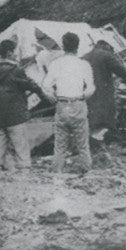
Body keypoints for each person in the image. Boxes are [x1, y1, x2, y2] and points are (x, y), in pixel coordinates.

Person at [42, 32, 95, 173]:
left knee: (60, 144)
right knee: (83, 144)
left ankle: (57, 173)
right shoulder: (84, 64)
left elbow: (46, 85)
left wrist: (51, 96)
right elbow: (91, 87)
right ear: (77, 47)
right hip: (78, 103)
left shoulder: (56, 64)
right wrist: (83, 97)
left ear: (63, 46)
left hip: (62, 104)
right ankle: (87, 171)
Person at [0, 39, 46, 170]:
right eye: (15, 52)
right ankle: (23, 169)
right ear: (9, 53)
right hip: (15, 113)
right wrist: (43, 93)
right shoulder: (16, 70)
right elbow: (29, 84)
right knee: (20, 145)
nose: (16, 55)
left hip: (0, 113)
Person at [85, 39, 126, 139]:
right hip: (104, 89)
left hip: (88, 92)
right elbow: (120, 70)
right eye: (111, 49)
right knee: (109, 112)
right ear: (106, 46)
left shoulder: (83, 58)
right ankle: (111, 136)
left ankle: (94, 138)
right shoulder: (105, 55)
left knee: (93, 114)